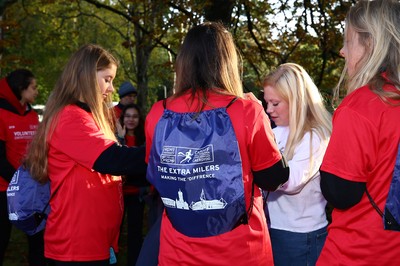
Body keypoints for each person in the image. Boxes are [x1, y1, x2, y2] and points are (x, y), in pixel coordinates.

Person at [144, 22, 289, 266]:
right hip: (240, 251)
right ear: (227, 62)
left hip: (177, 250)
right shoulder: (247, 110)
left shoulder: (158, 113)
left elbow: (158, 174)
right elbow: (272, 177)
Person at [23, 44, 147, 265]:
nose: (111, 88)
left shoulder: (85, 116)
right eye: (107, 79)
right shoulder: (70, 117)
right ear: (87, 75)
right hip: (76, 246)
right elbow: (112, 159)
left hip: (95, 242)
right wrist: (169, 150)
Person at [317, 0, 400, 265]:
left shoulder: (361, 107)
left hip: (358, 252)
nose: (342, 51)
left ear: (371, 44)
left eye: (348, 41)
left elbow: (341, 193)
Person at [263, 63, 332, 266]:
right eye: (266, 103)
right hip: (273, 228)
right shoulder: (275, 131)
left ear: (297, 101)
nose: (269, 110)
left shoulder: (315, 136)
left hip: (301, 236)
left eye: (275, 103)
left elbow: (292, 182)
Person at [0, 69, 49, 266]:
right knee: (2, 238)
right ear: (21, 89)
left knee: (38, 239)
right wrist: (18, 183)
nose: (36, 92)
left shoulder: (31, 115)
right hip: (4, 189)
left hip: (32, 189)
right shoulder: (1, 113)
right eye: (33, 87)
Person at [116, 104, 155, 266]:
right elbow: (116, 161)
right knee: (115, 231)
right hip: (119, 194)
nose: (131, 120)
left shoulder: (144, 140)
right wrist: (121, 138)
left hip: (137, 194)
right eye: (128, 116)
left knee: (135, 232)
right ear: (122, 118)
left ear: (140, 120)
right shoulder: (116, 139)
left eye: (135, 116)